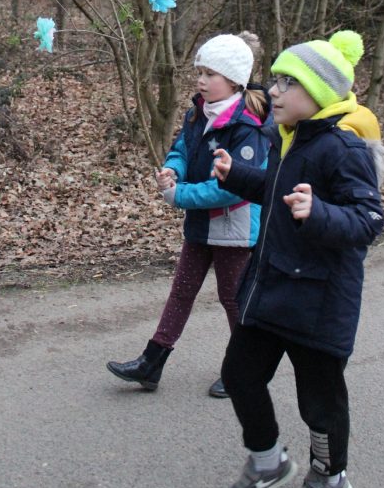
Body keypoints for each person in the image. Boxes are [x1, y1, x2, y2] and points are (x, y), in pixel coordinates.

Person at [212, 30, 384, 488]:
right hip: (270, 288)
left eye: (288, 82)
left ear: (320, 91)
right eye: (275, 80)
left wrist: (320, 212)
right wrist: (237, 175)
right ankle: (268, 460)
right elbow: (276, 191)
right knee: (240, 376)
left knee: (319, 402)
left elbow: (370, 220)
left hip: (320, 302)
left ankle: (330, 477)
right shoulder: (287, 138)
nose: (275, 91)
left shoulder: (343, 149)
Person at [107, 32, 271, 398]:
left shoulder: (250, 127)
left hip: (234, 228)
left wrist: (180, 195)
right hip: (200, 222)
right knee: (181, 292)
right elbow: (181, 148)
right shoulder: (198, 111)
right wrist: (172, 170)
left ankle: (244, 369)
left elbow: (234, 186)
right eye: (199, 72)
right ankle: (151, 363)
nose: (201, 80)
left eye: (210, 74)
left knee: (233, 299)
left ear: (234, 80)